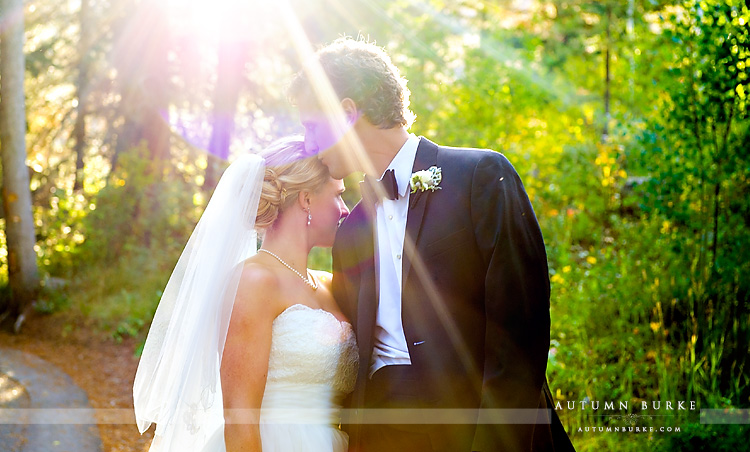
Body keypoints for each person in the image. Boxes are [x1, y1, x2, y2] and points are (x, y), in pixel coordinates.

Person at [289, 37, 575, 452]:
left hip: (475, 426)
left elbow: (520, 333)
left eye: (313, 127)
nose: (309, 144)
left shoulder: (480, 176)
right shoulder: (350, 233)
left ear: (349, 113)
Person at [133, 137, 359, 452]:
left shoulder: (331, 285)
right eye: (338, 196)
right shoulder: (252, 282)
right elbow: (240, 419)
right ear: (306, 199)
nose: (346, 210)